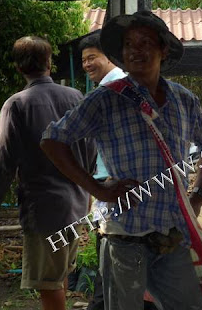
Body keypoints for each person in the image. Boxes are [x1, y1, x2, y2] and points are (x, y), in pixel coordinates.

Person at [40, 10, 202, 310]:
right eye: (128, 44)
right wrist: (97, 189)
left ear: (163, 49)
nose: (136, 50)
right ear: (122, 54)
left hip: (172, 235)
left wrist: (198, 194)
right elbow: (52, 140)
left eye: (145, 42)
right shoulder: (106, 99)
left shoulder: (183, 99)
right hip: (124, 236)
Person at [0, 36, 96, 310]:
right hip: (76, 204)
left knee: (48, 281)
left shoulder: (17, 104)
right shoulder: (76, 97)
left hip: (44, 209)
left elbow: (4, 158)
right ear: (49, 63)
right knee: (59, 273)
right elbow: (90, 146)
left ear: (18, 67)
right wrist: (87, 191)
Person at [78, 33, 125, 310]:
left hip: (115, 189)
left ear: (109, 57)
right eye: (84, 59)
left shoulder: (113, 89)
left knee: (110, 264)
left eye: (92, 57)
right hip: (109, 188)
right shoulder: (112, 87)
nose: (86, 64)